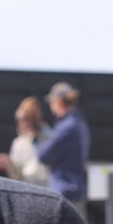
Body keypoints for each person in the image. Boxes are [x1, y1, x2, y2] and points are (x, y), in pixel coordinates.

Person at [37, 82, 90, 216]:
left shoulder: (66, 127)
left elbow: (43, 155)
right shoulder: (77, 122)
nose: (50, 106)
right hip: (73, 190)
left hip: (64, 192)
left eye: (51, 102)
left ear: (59, 101)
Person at [0, 96, 51, 187]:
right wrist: (8, 164)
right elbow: (16, 177)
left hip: (48, 188)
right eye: (19, 120)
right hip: (29, 190)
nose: (21, 123)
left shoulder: (50, 136)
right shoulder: (18, 143)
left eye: (25, 119)